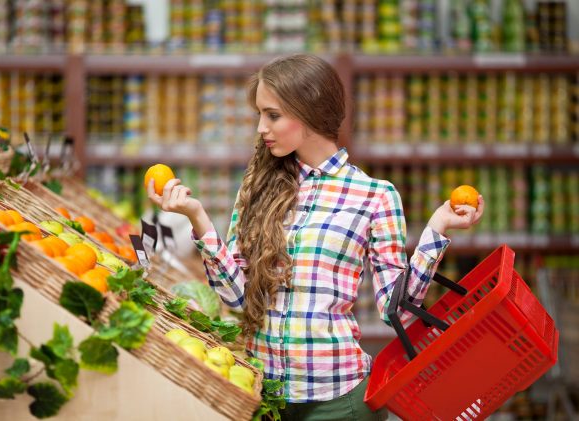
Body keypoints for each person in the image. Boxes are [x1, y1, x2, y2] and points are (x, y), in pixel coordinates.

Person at [147, 54, 484, 420]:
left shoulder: (374, 195)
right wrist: (197, 217)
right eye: (259, 114)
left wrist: (437, 228)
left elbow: (396, 309)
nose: (261, 127)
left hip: (339, 402)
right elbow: (237, 296)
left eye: (272, 115)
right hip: (264, 397)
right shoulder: (259, 187)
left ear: (308, 111)